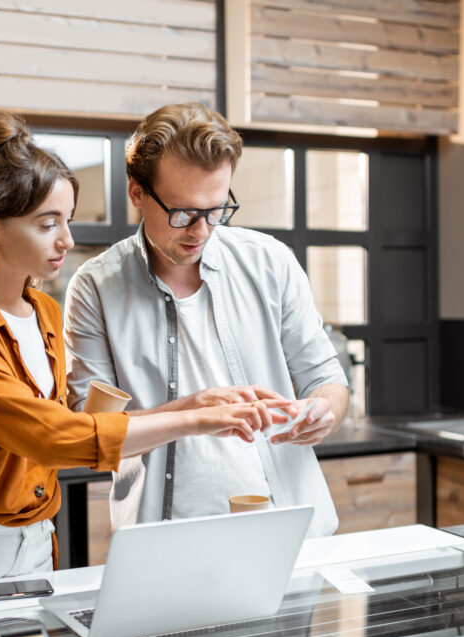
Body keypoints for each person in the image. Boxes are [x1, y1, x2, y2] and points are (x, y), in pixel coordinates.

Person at [0, 110, 289, 589]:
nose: (67, 240)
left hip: (34, 540)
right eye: (46, 223)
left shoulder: (45, 314)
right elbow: (48, 438)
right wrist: (198, 420)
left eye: (68, 220)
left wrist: (193, 403)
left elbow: (80, 427)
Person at [64, 102, 349, 537]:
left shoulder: (270, 261)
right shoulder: (96, 287)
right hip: (163, 543)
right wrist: (191, 409)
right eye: (183, 213)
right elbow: (91, 433)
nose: (201, 231)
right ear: (137, 192)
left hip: (290, 530)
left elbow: (327, 378)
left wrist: (323, 410)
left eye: (216, 210)